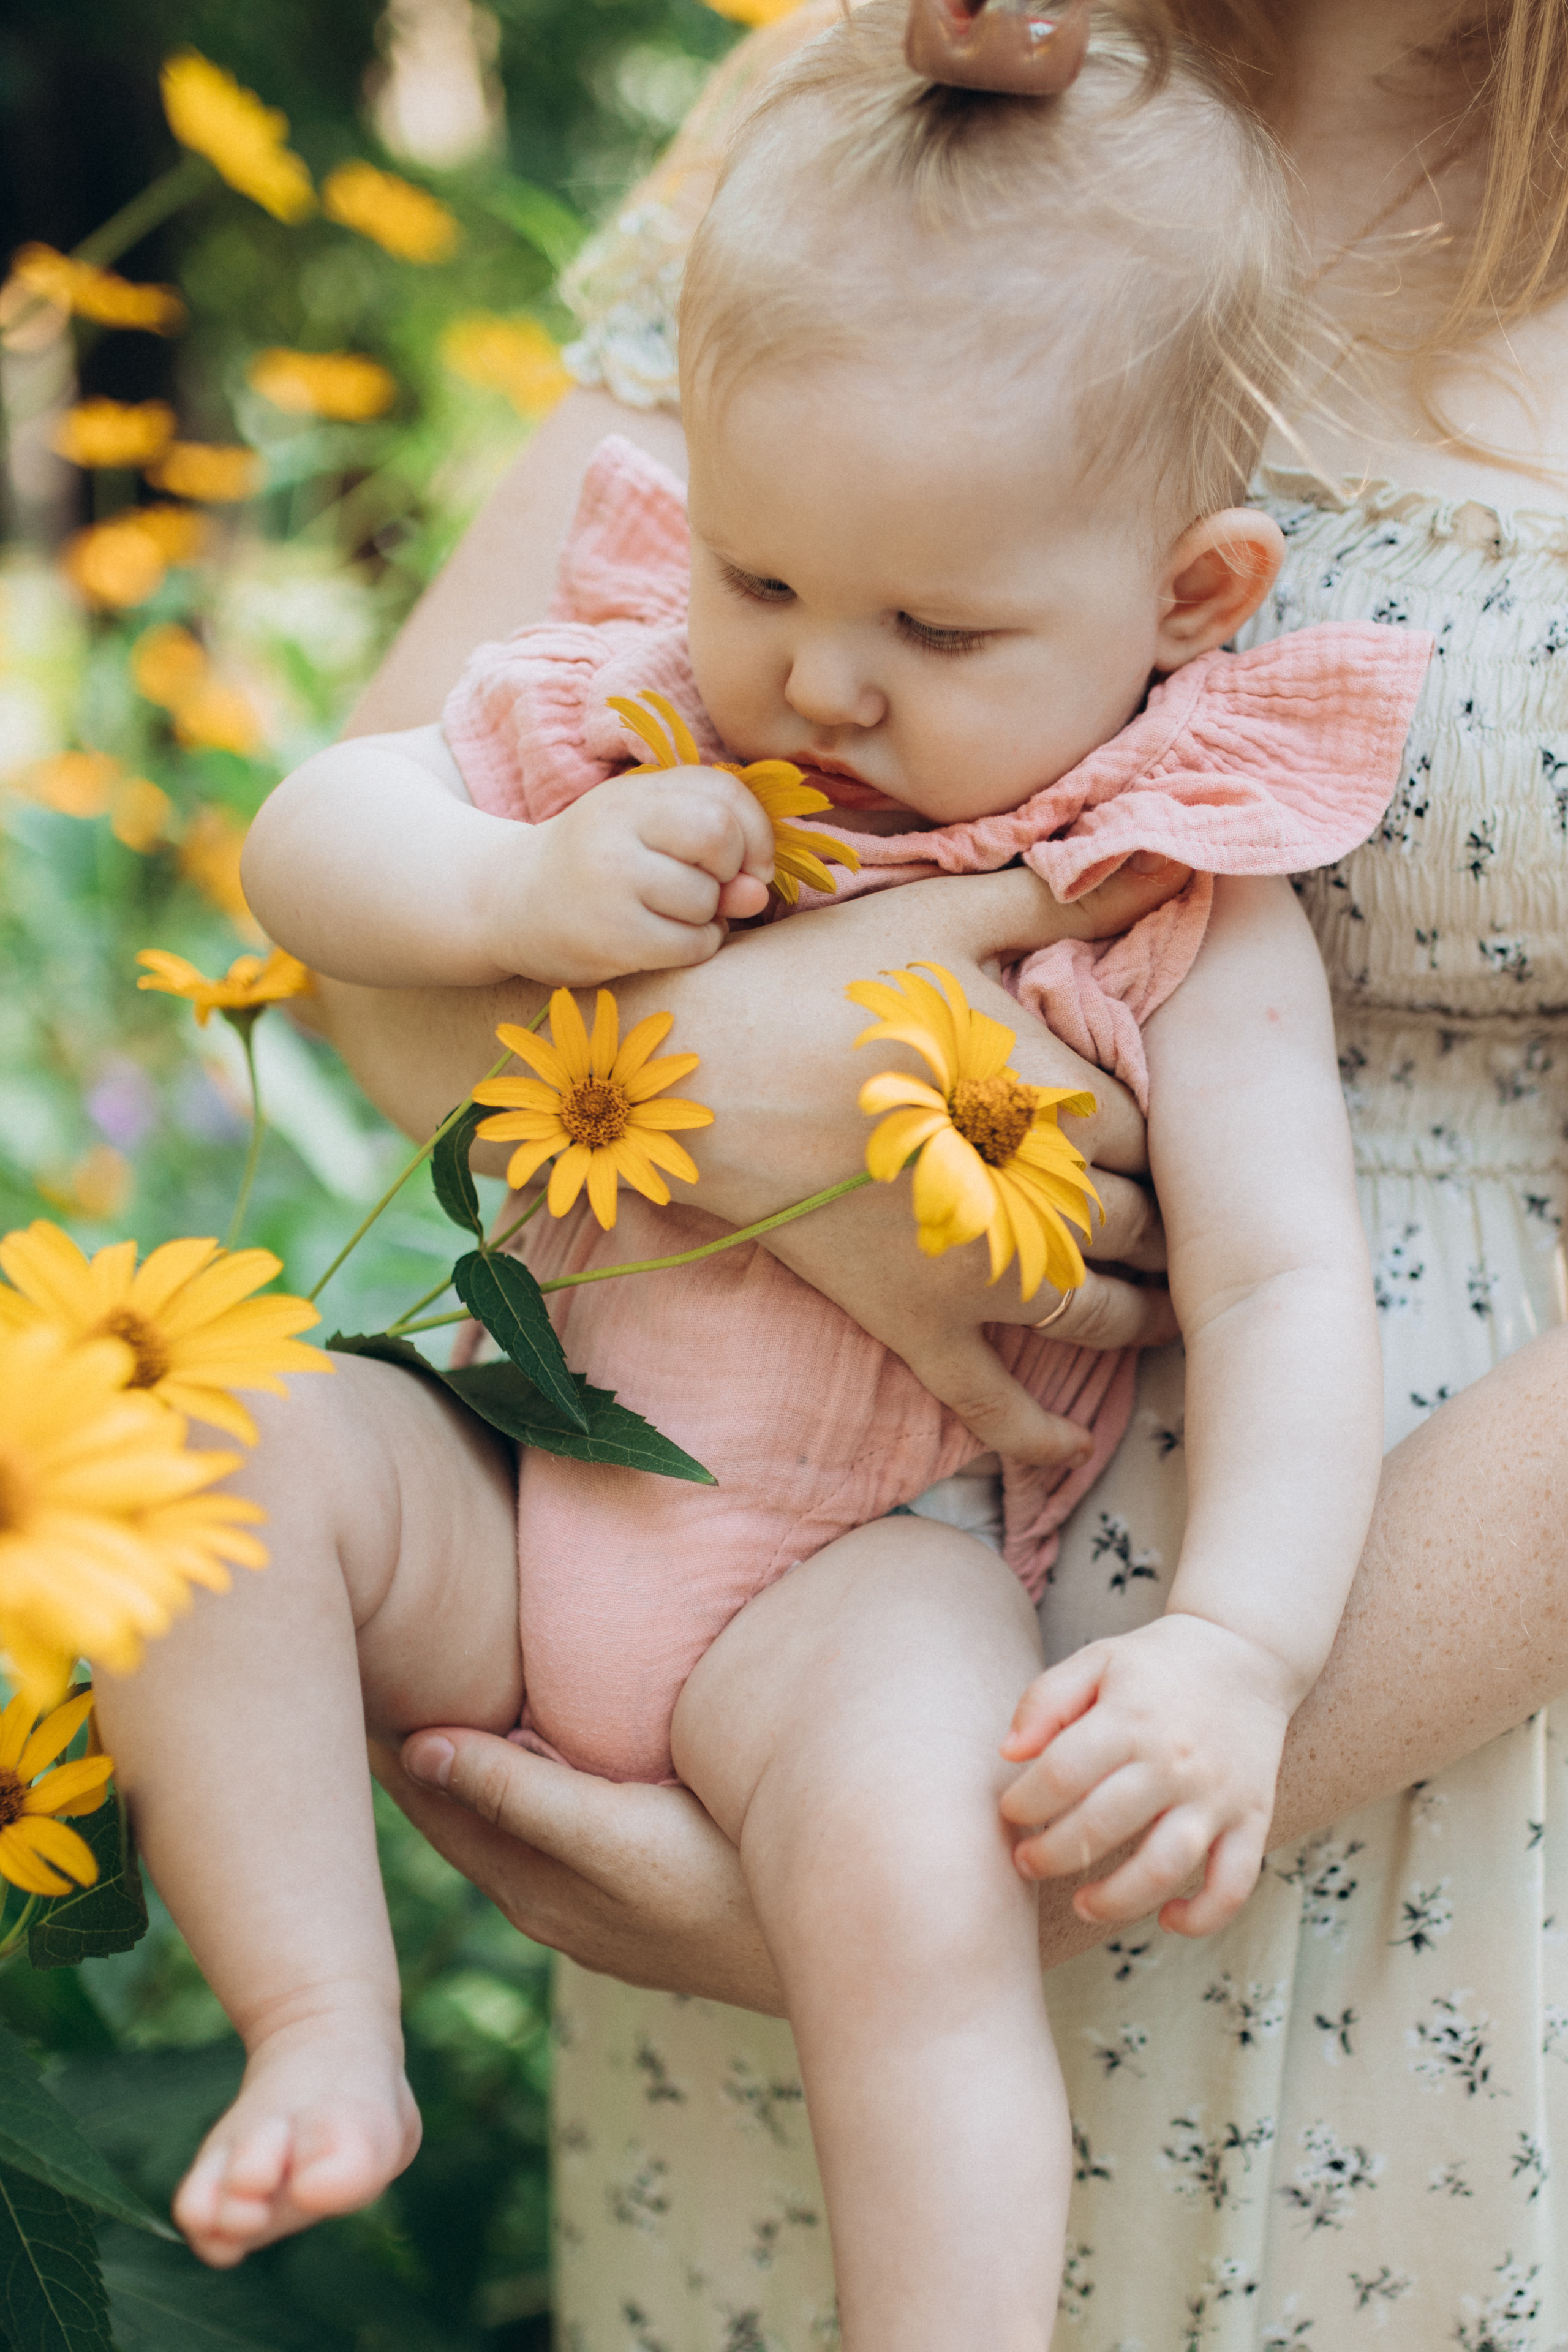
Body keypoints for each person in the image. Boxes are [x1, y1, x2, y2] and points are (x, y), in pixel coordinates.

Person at [97, 21, 1428, 2337]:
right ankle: (322, 2022)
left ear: (1194, 597)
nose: (818, 680)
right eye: (761, 571)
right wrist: (515, 897)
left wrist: (1237, 1645)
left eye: (938, 630)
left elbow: (1296, 1283)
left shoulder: (1162, 892)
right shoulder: (638, 719)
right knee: (199, 1454)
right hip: (508, 1499)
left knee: (923, 1877)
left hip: (841, 1586)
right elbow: (307, 842)